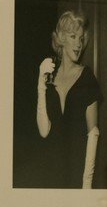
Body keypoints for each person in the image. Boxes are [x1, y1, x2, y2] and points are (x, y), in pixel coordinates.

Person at [35, 10, 101, 188]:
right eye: (73, 36)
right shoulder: (50, 76)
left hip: (77, 172)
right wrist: (40, 85)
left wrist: (86, 185)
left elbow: (93, 134)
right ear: (61, 39)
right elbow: (44, 131)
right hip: (48, 171)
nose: (78, 44)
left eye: (81, 38)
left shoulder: (87, 78)